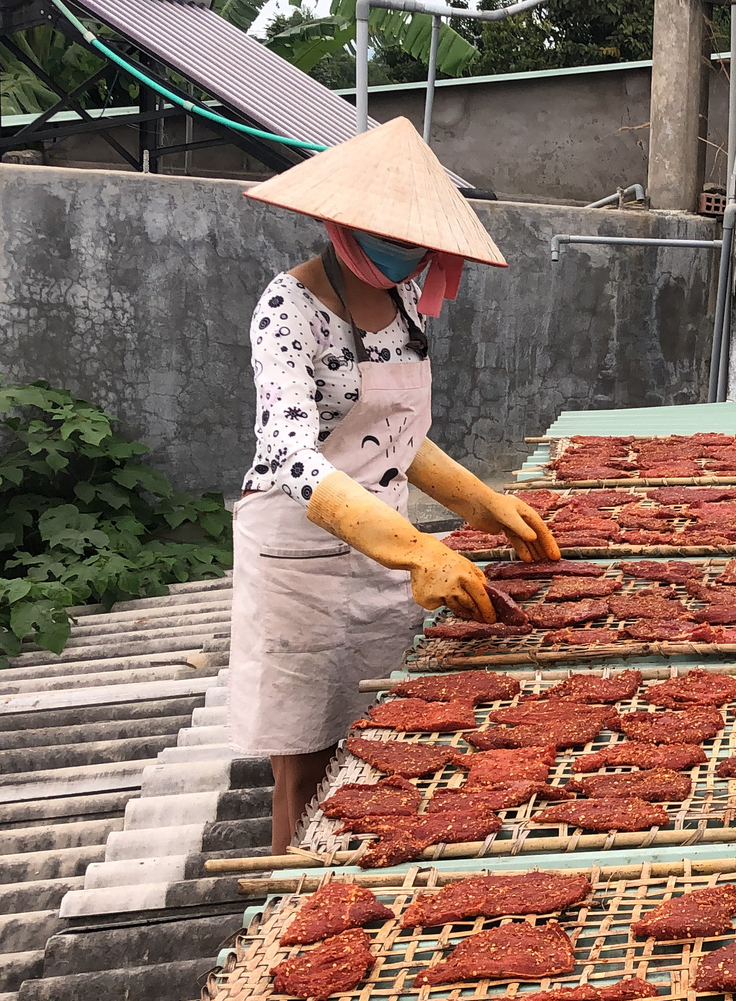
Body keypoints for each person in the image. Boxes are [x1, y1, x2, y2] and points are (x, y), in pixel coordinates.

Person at [230, 118, 556, 853]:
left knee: (389, 740)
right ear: (339, 224)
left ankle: (364, 884)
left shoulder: (405, 307)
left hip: (386, 558)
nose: (404, 254)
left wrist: (482, 505)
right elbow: (290, 453)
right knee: (308, 762)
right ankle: (295, 909)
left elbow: (395, 436)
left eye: (414, 241)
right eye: (389, 236)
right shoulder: (286, 311)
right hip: (300, 561)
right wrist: (412, 549)